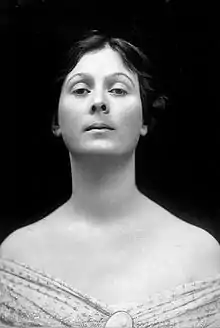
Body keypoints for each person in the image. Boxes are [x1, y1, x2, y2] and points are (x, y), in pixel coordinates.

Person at [0, 30, 220, 328]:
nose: (99, 102)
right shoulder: (14, 259)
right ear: (56, 121)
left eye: (118, 90)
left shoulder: (202, 255)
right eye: (80, 90)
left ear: (144, 119)